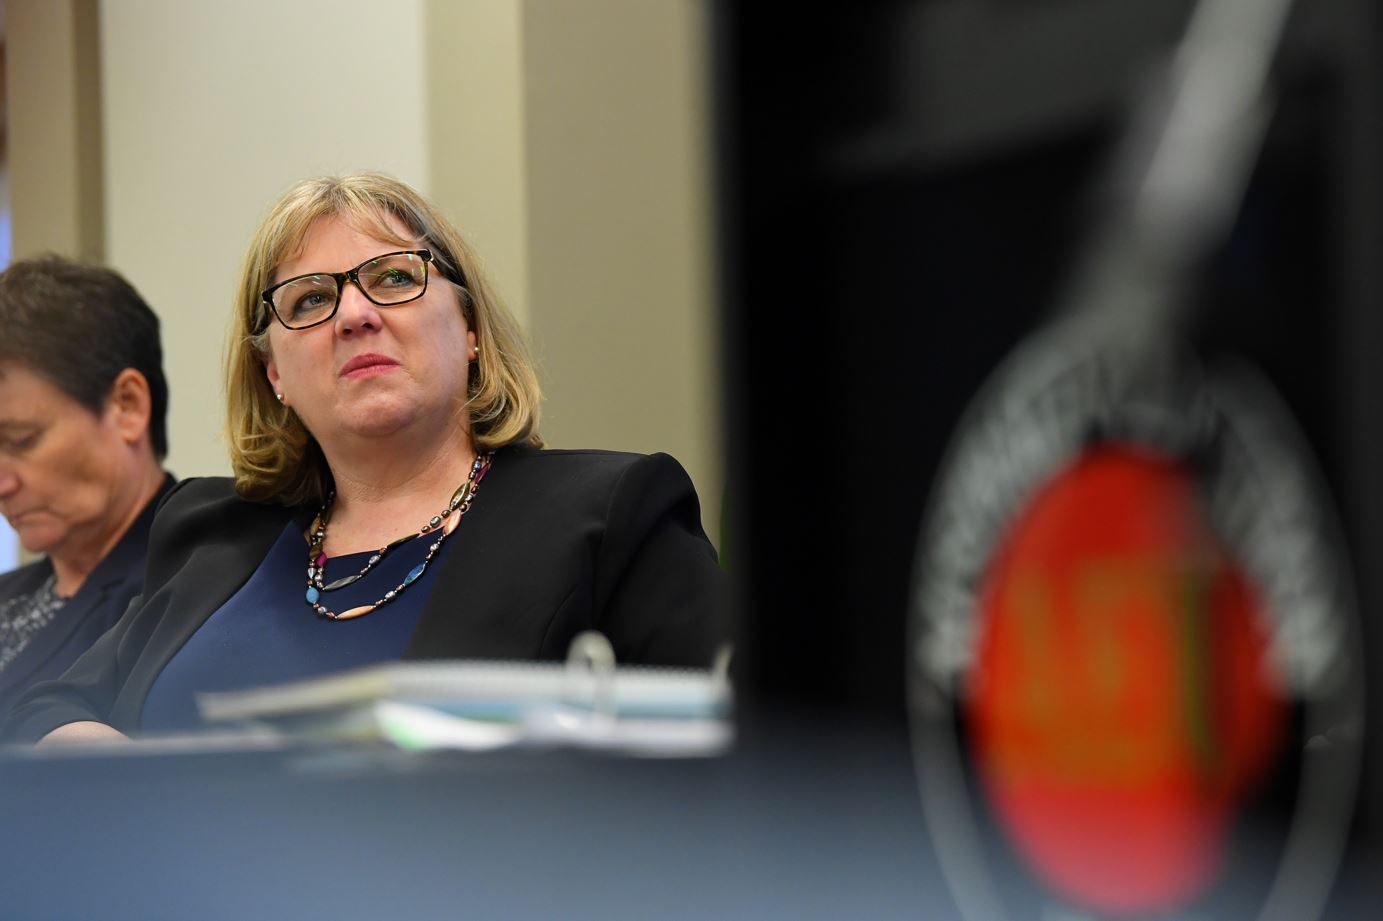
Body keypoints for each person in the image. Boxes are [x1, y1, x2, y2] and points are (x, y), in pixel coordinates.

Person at [6, 173, 723, 742]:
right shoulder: (210, 529)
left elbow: (722, 769)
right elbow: (50, 703)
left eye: (394, 279)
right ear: (274, 374)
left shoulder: (610, 516)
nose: (354, 315)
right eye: (309, 300)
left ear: (469, 327)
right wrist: (126, 781)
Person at [0, 256, 174, 718]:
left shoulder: (197, 585)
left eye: (22, 440)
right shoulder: (9, 596)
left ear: (127, 406)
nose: (3, 484)